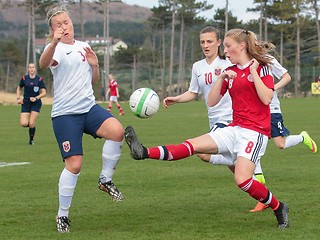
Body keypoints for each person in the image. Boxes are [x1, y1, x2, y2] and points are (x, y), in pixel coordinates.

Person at [125, 29, 290, 229]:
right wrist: (221, 79)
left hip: (255, 133)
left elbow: (266, 98)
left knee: (242, 179)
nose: (226, 51)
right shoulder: (231, 71)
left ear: (242, 45)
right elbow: (211, 102)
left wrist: (253, 72)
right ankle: (143, 152)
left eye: (228, 46)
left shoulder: (262, 68)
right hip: (233, 128)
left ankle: (278, 206)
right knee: (192, 145)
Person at [39, 5, 124, 233]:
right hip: (65, 114)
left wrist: (95, 65)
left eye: (66, 22)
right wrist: (54, 42)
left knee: (117, 131)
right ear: (53, 30)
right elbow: (43, 65)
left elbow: (93, 81)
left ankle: (105, 180)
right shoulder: (53, 48)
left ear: (72, 23)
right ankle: (62, 215)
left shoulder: (84, 46)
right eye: (58, 25)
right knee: (74, 165)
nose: (64, 27)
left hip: (88, 108)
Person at [16, 63, 47, 145]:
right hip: (26, 103)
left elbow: (44, 92)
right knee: (24, 123)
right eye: (30, 67)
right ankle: (32, 127)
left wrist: (36, 98)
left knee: (32, 122)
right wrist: (18, 98)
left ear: (35, 69)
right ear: (28, 69)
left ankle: (31, 141)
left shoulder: (39, 79)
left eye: (33, 67)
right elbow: (19, 88)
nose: (31, 69)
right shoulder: (24, 78)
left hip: (36, 103)